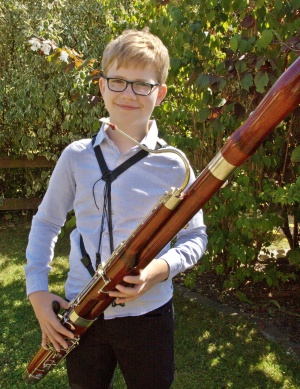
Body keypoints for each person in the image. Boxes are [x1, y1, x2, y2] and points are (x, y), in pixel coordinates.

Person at [25, 29, 207, 389]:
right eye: (118, 81)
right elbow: (47, 222)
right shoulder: (76, 156)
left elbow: (196, 235)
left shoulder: (174, 163)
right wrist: (37, 290)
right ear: (102, 85)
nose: (128, 93)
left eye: (142, 85)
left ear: (161, 93)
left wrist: (157, 271)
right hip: (81, 309)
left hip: (149, 313)